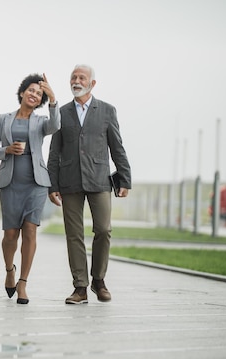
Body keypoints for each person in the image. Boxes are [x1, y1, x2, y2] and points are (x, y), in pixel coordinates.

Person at [47, 64, 131, 305]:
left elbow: (117, 146)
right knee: (74, 234)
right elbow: (54, 153)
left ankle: (98, 280)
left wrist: (124, 178)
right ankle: (80, 287)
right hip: (69, 180)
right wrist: (52, 185)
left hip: (99, 178)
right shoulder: (61, 113)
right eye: (73, 77)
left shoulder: (106, 111)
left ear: (92, 83)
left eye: (81, 77)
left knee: (103, 230)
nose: (76, 80)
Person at [0, 73, 60, 304]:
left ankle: (23, 283)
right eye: (31, 90)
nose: (34, 94)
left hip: (36, 183)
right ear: (22, 92)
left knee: (30, 231)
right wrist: (6, 150)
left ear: (41, 100)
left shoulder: (41, 122)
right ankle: (10, 271)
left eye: (39, 93)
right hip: (10, 182)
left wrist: (54, 99)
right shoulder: (2, 119)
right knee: (10, 235)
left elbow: (56, 125)